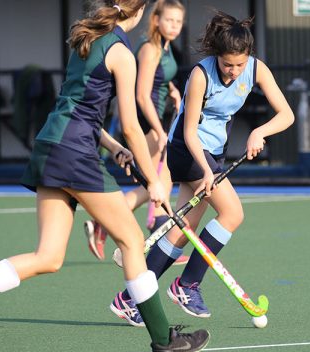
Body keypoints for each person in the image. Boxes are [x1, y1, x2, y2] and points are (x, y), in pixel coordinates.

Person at [0, 0, 209, 352]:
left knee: (48, 257)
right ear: (137, 13)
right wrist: (153, 180)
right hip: (75, 154)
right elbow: (133, 124)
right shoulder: (122, 52)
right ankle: (164, 341)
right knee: (133, 241)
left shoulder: (86, 38)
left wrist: (114, 146)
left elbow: (77, 105)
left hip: (51, 146)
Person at [110, 10, 294, 326]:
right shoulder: (201, 74)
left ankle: (131, 298)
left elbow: (286, 114)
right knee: (233, 213)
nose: (233, 71)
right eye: (227, 64)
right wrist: (207, 173)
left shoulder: (255, 70)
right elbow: (189, 131)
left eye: (239, 64)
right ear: (216, 56)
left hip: (214, 153)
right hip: (188, 150)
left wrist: (259, 131)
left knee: (183, 230)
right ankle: (187, 284)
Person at [84, 0, 189, 267]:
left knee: (158, 183)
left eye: (178, 21)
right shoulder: (150, 49)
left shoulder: (164, 47)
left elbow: (159, 80)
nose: (174, 26)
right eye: (169, 21)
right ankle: (109, 221)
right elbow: (142, 95)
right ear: (156, 20)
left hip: (158, 121)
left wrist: (173, 89)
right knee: (158, 183)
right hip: (148, 122)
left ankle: (115, 224)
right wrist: (158, 129)